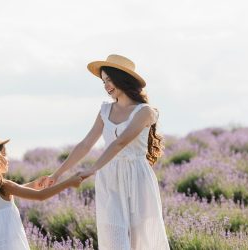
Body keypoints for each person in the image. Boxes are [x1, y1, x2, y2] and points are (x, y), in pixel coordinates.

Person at [44, 54, 170, 249]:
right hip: (109, 178)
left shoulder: (145, 111)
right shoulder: (105, 110)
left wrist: (92, 169)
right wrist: (57, 174)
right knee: (114, 237)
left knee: (142, 238)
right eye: (103, 81)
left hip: (136, 177)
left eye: (109, 80)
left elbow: (120, 143)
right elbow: (86, 144)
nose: (106, 86)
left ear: (122, 78)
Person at [0, 131, 83, 250]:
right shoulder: (4, 186)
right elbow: (40, 196)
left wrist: (33, 184)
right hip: (10, 243)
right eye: (4, 154)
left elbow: (6, 196)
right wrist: (68, 182)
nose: (7, 159)